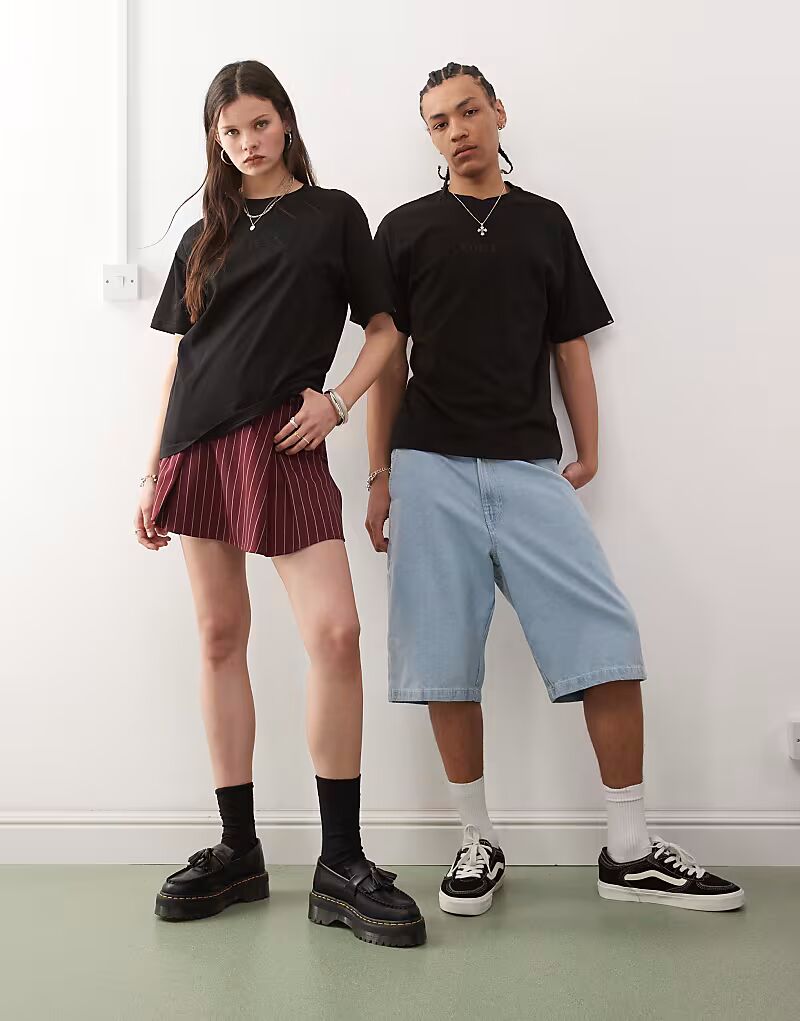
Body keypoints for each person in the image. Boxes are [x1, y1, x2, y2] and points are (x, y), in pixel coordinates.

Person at [366, 61, 744, 917]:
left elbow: (569, 342)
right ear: (429, 136)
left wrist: (589, 450)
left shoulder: (544, 221)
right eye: (438, 121)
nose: (457, 130)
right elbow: (389, 359)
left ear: (498, 112)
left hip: (528, 463)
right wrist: (380, 473)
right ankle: (477, 837)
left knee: (608, 640)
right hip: (427, 463)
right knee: (443, 660)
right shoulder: (405, 228)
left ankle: (630, 849)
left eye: (468, 111)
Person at [137, 59, 425, 947]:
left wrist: (337, 402)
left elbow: (387, 330)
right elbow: (182, 357)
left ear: (286, 121)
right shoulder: (204, 234)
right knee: (220, 635)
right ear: (215, 140)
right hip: (198, 442)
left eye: (258, 124)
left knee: (335, 632)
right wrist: (153, 470)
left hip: (286, 438)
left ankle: (341, 861)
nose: (246, 142)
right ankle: (239, 850)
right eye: (229, 132)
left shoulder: (334, 214)